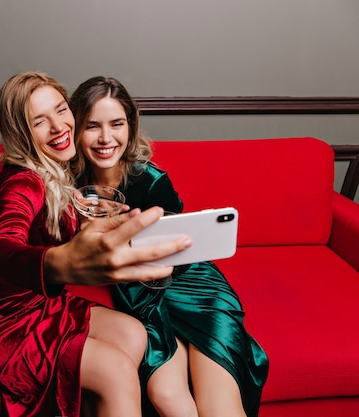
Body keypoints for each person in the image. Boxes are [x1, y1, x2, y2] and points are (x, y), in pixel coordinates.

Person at [0, 72, 193, 417]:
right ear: (21, 133)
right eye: (39, 121)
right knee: (115, 371)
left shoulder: (59, 174)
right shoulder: (22, 183)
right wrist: (59, 263)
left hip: (39, 303)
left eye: (61, 110)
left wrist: (92, 223)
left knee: (135, 333)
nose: (59, 127)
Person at [69, 76, 269, 417]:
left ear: (130, 127)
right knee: (165, 393)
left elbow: (176, 242)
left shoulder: (150, 179)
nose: (106, 138)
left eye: (117, 124)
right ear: (75, 130)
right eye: (92, 126)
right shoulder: (69, 187)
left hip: (193, 285)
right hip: (141, 294)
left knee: (220, 407)